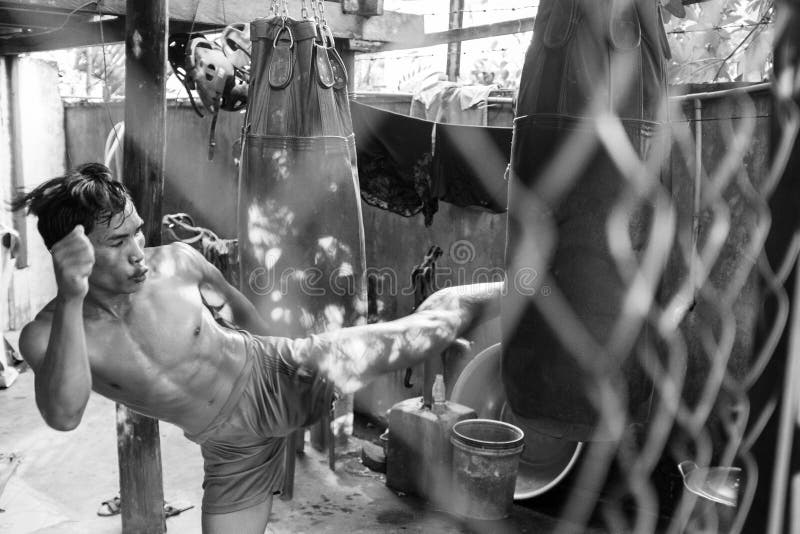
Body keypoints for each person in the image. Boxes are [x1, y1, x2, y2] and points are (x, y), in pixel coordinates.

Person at [11, 163, 502, 534]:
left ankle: (515, 291)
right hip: (231, 447)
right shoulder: (47, 333)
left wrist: (292, 361)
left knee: (431, 330)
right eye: (118, 242)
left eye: (138, 230)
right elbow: (64, 414)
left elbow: (245, 314)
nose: (139, 250)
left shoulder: (178, 263)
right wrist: (73, 295)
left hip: (281, 370)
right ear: (71, 253)